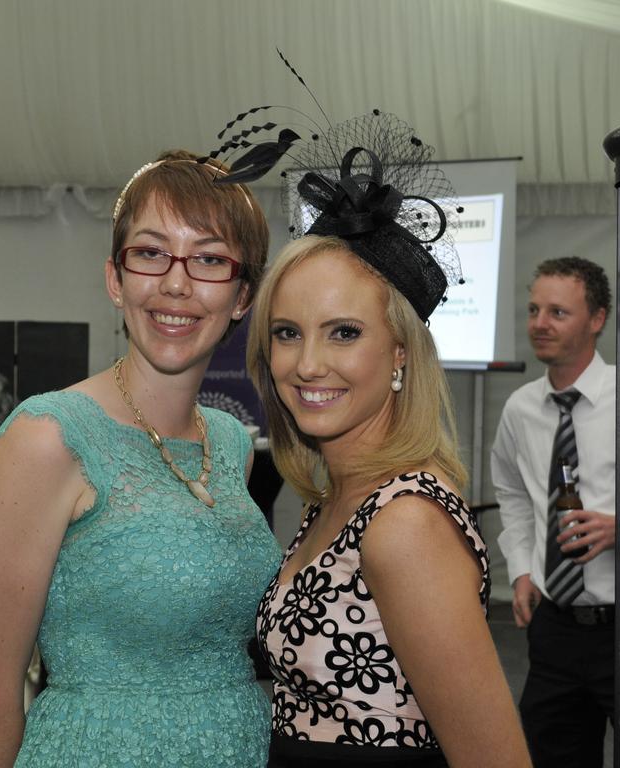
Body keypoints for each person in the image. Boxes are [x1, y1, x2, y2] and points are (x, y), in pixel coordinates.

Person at [206, 59, 530, 766]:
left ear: (400, 355)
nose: (307, 364)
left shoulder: (405, 521)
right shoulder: (338, 498)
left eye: (344, 333)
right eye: (287, 333)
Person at [0, 149, 281, 767]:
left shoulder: (231, 441)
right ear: (115, 279)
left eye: (209, 259)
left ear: (243, 296)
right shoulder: (46, 438)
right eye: (151, 253)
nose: (176, 283)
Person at [492, 256, 614, 767]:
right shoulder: (521, 407)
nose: (539, 323)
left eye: (558, 312)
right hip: (553, 626)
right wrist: (521, 570)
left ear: (597, 319)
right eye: (533, 309)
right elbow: (514, 494)